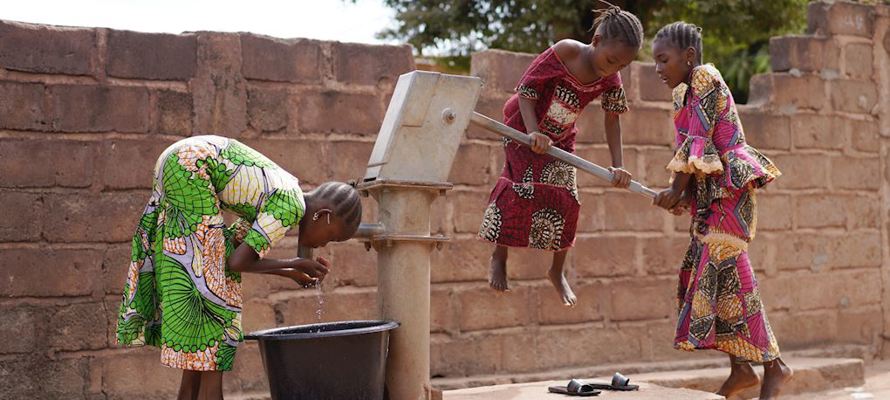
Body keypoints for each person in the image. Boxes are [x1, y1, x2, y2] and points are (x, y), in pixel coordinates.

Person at [116, 135, 362, 400]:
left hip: (179, 161)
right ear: (324, 217)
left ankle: (192, 390)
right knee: (217, 296)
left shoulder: (284, 192)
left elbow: (232, 253)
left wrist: (292, 272)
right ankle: (211, 392)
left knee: (215, 281)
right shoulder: (291, 206)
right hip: (190, 164)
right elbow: (238, 262)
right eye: (332, 237)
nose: (325, 244)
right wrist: (294, 264)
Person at [651, 21, 792, 399]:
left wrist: (674, 189)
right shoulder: (683, 93)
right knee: (712, 279)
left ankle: (774, 366)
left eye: (664, 60)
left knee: (731, 275)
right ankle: (742, 369)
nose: (658, 69)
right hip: (709, 198)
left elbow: (698, 141)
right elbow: (694, 158)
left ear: (689, 56)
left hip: (729, 195)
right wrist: (680, 197)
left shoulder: (704, 79)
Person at [479, 2, 643, 306]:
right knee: (519, 187)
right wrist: (531, 134)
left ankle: (557, 271)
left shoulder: (611, 78)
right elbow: (526, 90)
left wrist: (618, 166)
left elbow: (613, 118)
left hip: (561, 136)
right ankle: (499, 256)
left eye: (622, 66)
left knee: (568, 198)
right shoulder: (567, 51)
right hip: (522, 121)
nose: (613, 69)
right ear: (596, 42)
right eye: (611, 60)